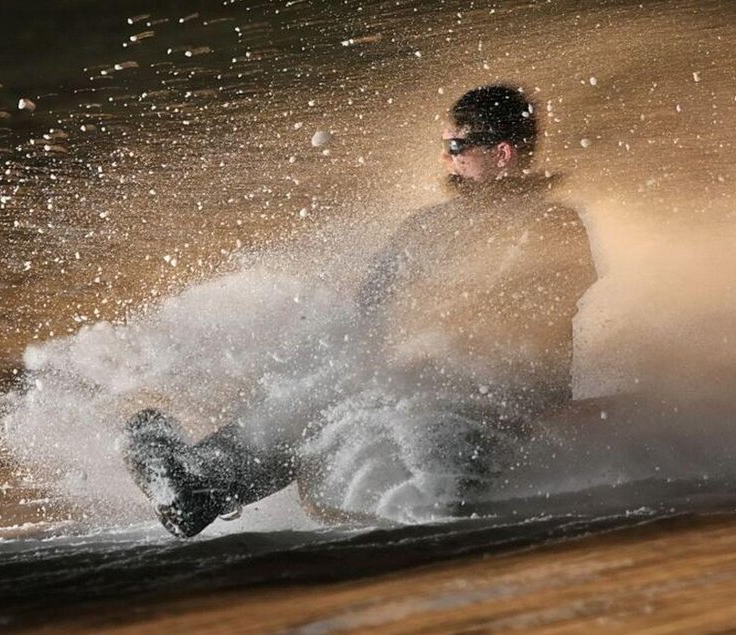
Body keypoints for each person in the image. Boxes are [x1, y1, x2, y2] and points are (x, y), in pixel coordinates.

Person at [123, 84, 597, 537]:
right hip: (431, 384)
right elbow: (371, 312)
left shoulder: (549, 223)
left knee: (354, 388)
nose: (445, 157)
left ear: (502, 153)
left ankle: (204, 481)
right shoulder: (428, 226)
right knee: (325, 385)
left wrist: (430, 340)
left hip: (503, 391)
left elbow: (534, 313)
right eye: (445, 145)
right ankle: (200, 481)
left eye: (457, 145)